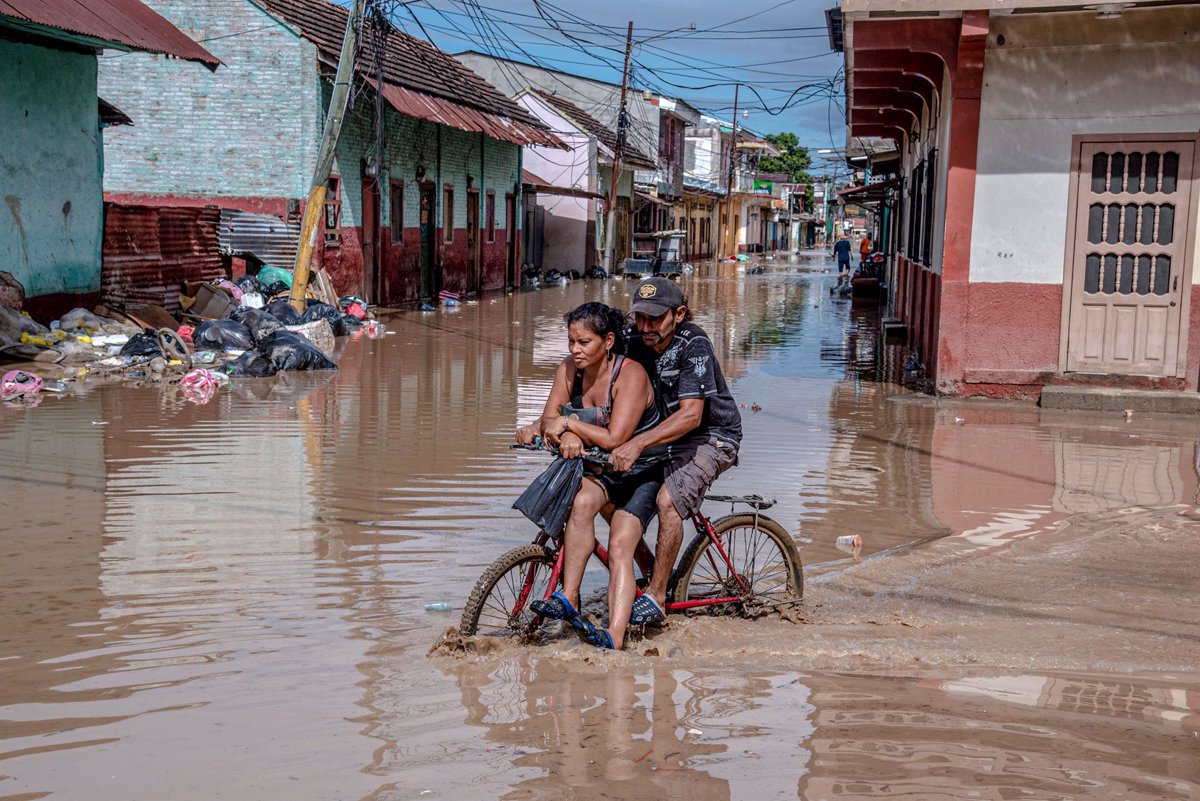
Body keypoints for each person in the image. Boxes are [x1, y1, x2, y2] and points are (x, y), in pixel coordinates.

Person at [515, 302, 662, 650]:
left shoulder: (631, 376)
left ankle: (614, 634)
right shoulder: (569, 369)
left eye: (584, 343)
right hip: (603, 468)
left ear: (608, 340)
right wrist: (559, 432)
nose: (575, 350)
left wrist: (568, 426)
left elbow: (615, 438)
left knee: (620, 546)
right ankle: (568, 595)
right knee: (579, 504)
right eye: (571, 342)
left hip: (641, 469)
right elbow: (550, 419)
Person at [610, 277, 742, 626]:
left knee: (668, 501)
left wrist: (636, 442)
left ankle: (655, 596)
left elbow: (691, 415)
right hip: (663, 436)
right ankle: (655, 571)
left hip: (712, 437)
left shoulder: (693, 343)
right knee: (607, 490)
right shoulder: (634, 340)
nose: (645, 327)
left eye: (654, 319)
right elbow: (593, 354)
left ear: (679, 314)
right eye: (640, 318)